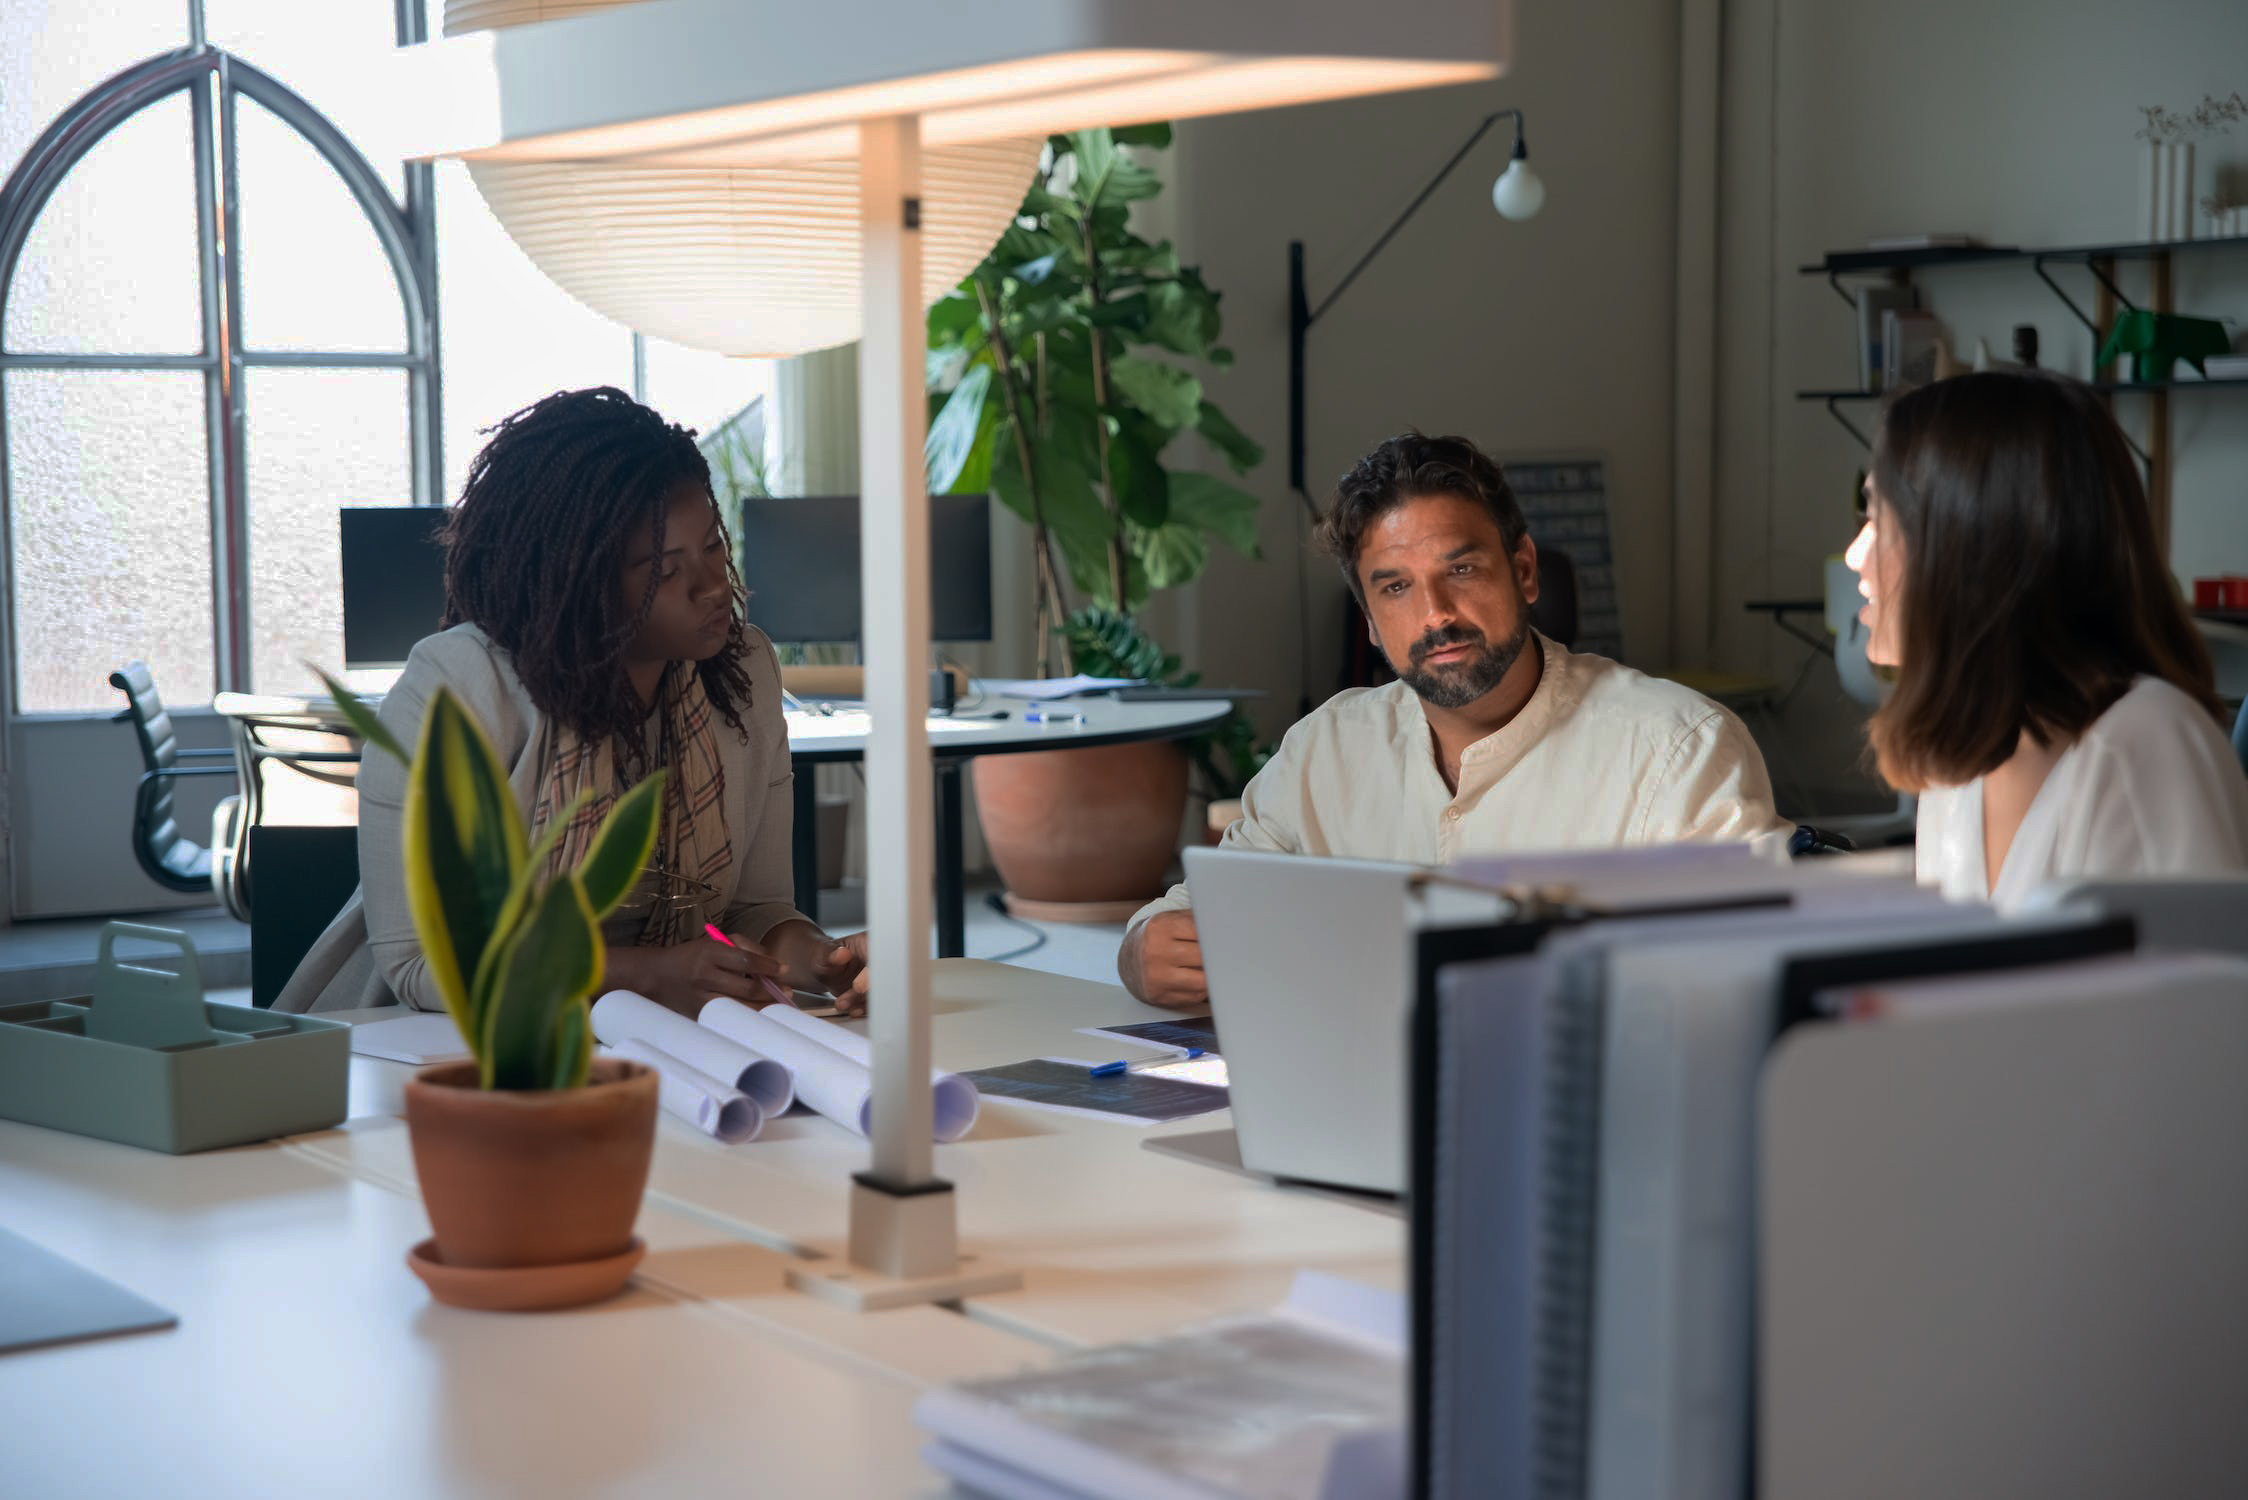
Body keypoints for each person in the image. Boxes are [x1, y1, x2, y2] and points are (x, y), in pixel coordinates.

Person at [1120, 431, 1787, 1008]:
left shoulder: (1677, 750)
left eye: (1460, 568)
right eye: (1396, 587)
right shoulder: (1326, 748)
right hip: (1348, 1097)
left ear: (1524, 571)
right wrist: (1144, 953)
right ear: (1373, 624)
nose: (1435, 613)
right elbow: (1206, 911)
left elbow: (1755, 969)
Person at [277, 387, 871, 1016]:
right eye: (666, 572)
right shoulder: (462, 687)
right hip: (433, 1048)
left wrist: (818, 958)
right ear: (579, 580)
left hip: (669, 1038)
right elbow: (424, 965)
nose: (711, 586)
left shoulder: (740, 672)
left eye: (714, 547)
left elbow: (755, 910)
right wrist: (645, 974)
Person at [1846, 368, 2248, 908]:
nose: (1855, 555)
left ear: (1974, 546)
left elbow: (2204, 989)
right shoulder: (1957, 764)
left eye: (1879, 517)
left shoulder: (2144, 743)